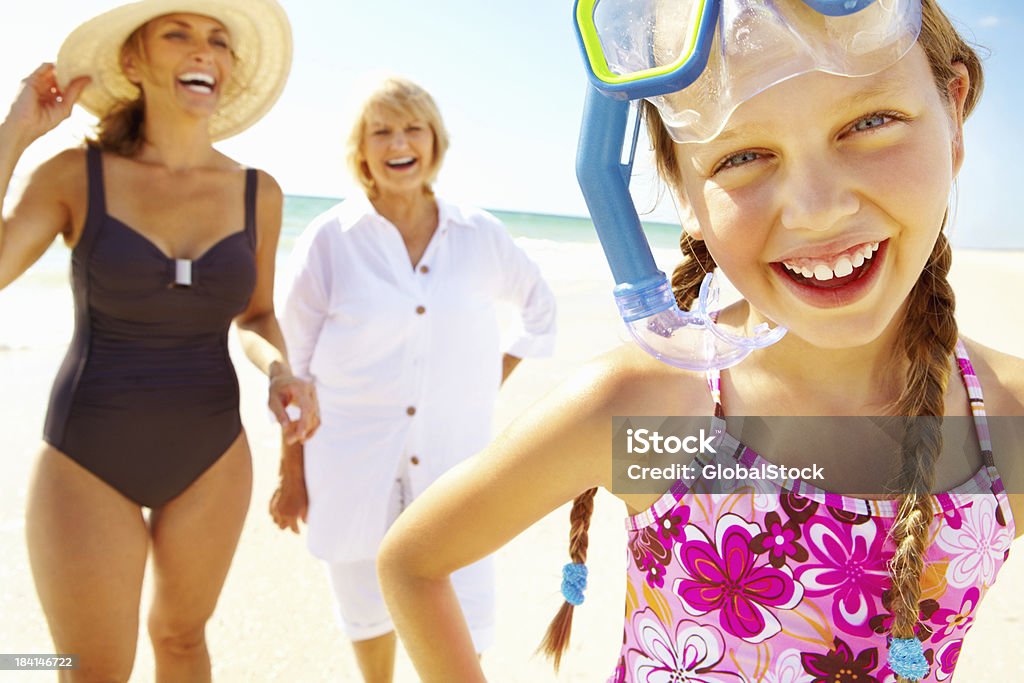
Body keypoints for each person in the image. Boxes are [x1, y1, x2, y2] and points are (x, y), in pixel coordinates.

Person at [377, 1, 1024, 681]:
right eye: (743, 155)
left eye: (870, 122)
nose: (817, 207)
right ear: (681, 187)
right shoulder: (654, 415)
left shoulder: (1007, 426)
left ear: (954, 116)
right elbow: (413, 562)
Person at [0, 1, 318, 680]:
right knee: (92, 668)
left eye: (218, 40)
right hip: (87, 458)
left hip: (212, 454)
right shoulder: (73, 176)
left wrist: (280, 371)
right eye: (177, 34)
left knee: (181, 640)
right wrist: (14, 134)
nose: (203, 50)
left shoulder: (258, 192)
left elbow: (256, 315)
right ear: (134, 62)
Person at [269, 75, 556, 683]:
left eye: (412, 128)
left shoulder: (480, 235)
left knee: (462, 635)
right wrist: (289, 473)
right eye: (382, 131)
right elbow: (294, 370)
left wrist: (483, 382)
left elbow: (539, 310)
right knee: (366, 621)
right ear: (362, 150)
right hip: (348, 460)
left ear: (434, 141)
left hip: (455, 468)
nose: (399, 143)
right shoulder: (329, 239)